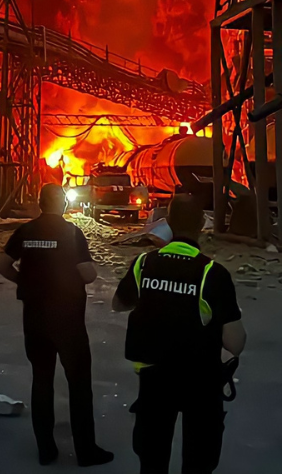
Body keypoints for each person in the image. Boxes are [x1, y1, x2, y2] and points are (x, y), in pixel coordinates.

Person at [112, 193, 245, 474]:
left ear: (168, 223)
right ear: (202, 224)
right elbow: (235, 343)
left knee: (152, 459)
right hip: (200, 382)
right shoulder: (213, 273)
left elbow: (119, 304)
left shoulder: (144, 264)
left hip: (154, 379)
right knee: (199, 461)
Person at [0, 184, 114, 467]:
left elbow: (2, 265)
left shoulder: (25, 231)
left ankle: (46, 450)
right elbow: (88, 274)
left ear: (39, 204)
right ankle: (85, 451)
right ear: (62, 204)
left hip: (35, 319)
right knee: (79, 384)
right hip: (67, 319)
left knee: (42, 380)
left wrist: (24, 281)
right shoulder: (71, 233)